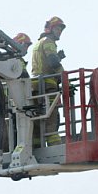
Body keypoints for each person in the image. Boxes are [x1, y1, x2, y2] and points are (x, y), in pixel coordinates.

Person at [31, 17, 67, 146]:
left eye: (60, 29)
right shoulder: (49, 42)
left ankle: (36, 147)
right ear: (50, 29)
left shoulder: (38, 43)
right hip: (48, 86)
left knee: (37, 120)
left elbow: (44, 63)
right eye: (57, 28)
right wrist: (65, 79)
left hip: (35, 87)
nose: (59, 32)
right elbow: (53, 63)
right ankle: (55, 146)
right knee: (52, 119)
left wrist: (58, 58)